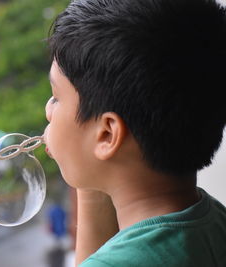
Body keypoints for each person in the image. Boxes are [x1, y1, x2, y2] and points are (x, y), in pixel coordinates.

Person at [43, 0, 226, 266]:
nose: (48, 111)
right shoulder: (215, 225)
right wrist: (88, 171)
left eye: (56, 97)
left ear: (107, 134)